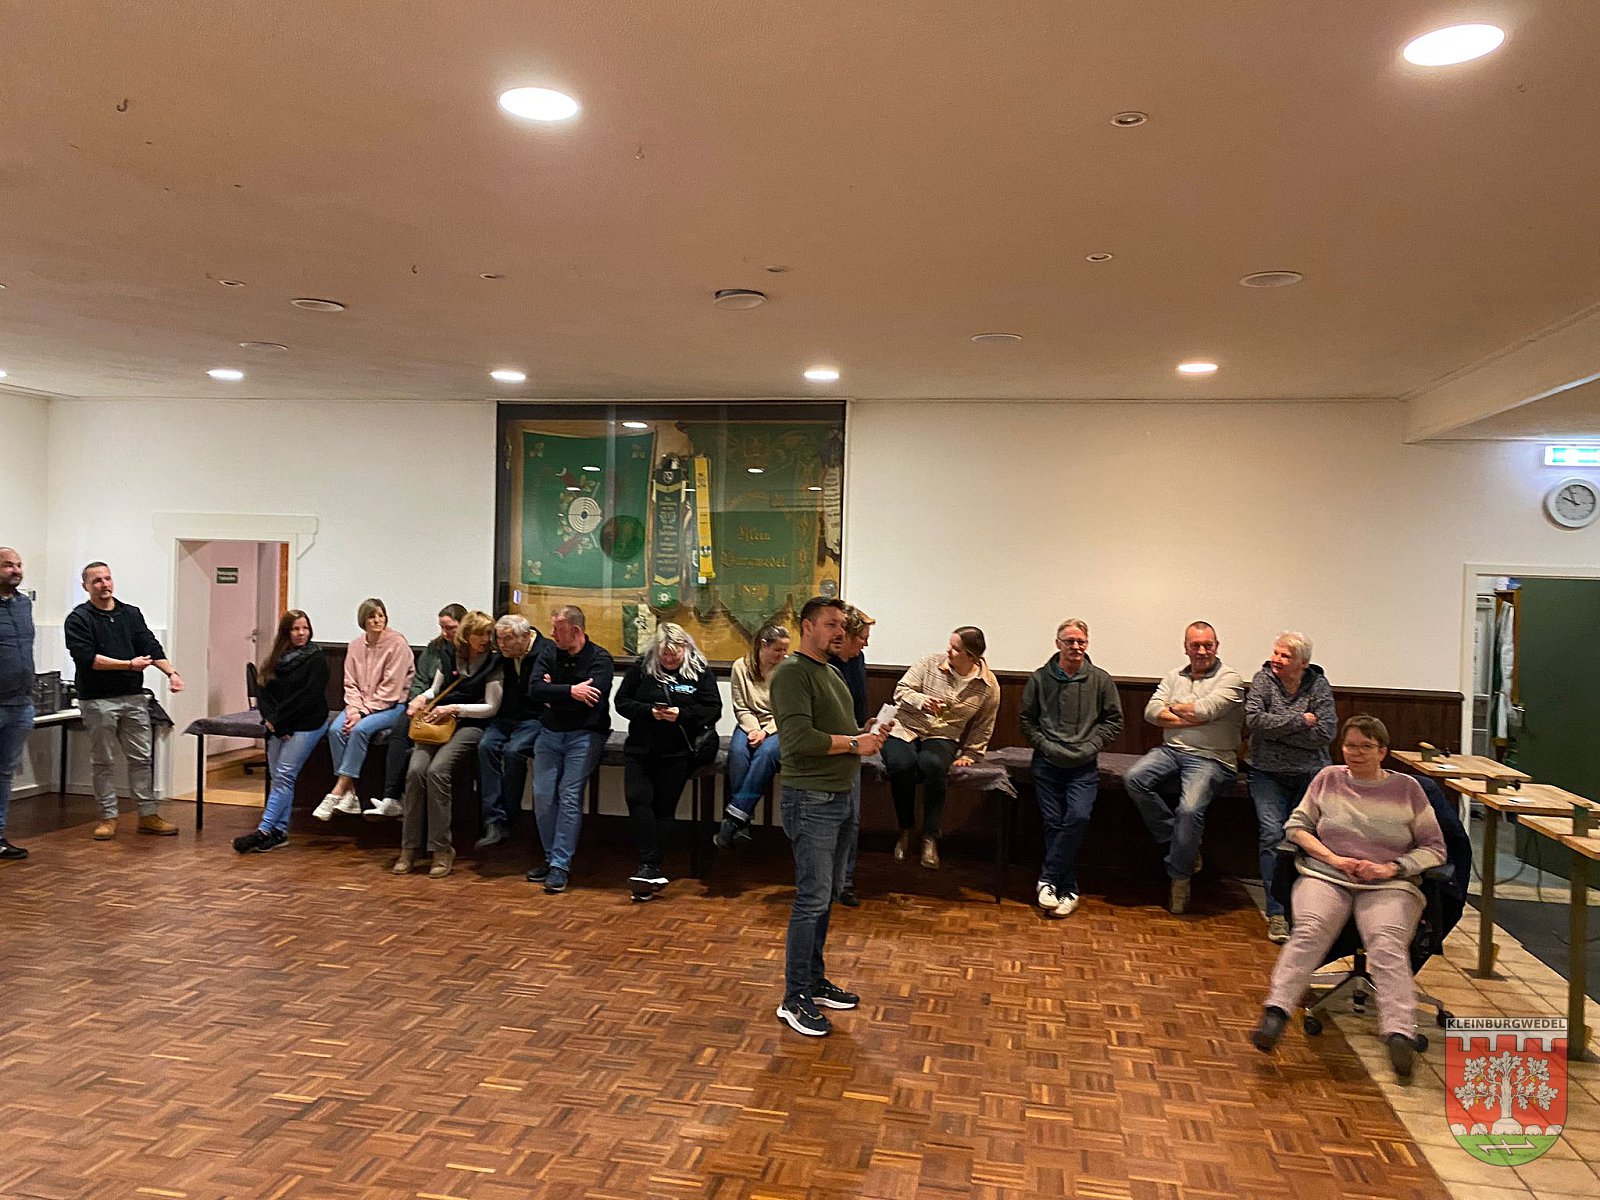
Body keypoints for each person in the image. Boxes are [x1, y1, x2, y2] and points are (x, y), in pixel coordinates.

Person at [1252, 715, 1446, 1080]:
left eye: (1365, 747)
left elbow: (1435, 848)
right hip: (1327, 874)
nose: (1356, 753)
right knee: (1310, 930)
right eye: (1350, 745)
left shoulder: (1408, 790)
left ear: (1382, 752)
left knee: (1386, 942)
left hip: (1388, 882)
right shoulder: (1327, 779)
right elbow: (1296, 827)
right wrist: (1333, 858)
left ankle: (1399, 1032)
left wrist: (1391, 868)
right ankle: (1276, 1011)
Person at [770, 596, 890, 1037]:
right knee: (811, 899)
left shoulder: (831, 672)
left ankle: (814, 980)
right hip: (811, 799)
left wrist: (866, 732)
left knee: (826, 897)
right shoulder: (791, 673)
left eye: (842, 625)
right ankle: (794, 997)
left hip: (838, 795)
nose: (840, 631)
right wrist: (856, 744)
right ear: (807, 627)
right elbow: (798, 739)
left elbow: (837, 733)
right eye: (831, 624)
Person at [1125, 621, 1246, 914]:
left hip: (1212, 758)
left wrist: (1175, 708)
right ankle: (1181, 844)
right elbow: (1151, 712)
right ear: (1186, 647)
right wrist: (1195, 717)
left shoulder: (1231, 679)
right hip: (1172, 751)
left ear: (1217, 646)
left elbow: (1207, 710)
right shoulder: (1173, 676)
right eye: (1195, 645)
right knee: (1133, 779)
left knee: (1189, 810)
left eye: (1208, 645)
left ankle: (1179, 878)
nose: (1202, 651)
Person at [64, 561, 186, 840]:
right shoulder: (79, 619)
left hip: (133, 697)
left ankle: (148, 815)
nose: (104, 584)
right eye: (97, 581)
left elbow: (150, 646)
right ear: (85, 586)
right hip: (98, 700)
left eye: (107, 578)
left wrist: (171, 673)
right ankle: (107, 818)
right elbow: (88, 659)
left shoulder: (131, 614)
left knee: (142, 758)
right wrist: (129, 664)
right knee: (103, 761)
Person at [1020, 619, 1124, 918]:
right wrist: (1046, 746)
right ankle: (1068, 890)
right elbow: (1027, 720)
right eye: (1070, 641)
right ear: (1058, 644)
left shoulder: (1100, 680)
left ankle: (1048, 879)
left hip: (1084, 766)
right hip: (1046, 764)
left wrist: (1091, 746)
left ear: (1087, 644)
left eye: (1081, 641)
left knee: (1078, 817)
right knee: (1053, 823)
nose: (1076, 647)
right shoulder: (1039, 679)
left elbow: (1113, 721)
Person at [615, 623, 722, 901]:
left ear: (685, 649)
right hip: (640, 748)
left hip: (678, 752)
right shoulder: (641, 668)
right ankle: (649, 866)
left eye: (675, 655)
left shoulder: (700, 671)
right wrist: (649, 712)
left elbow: (713, 709)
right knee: (637, 799)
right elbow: (622, 702)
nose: (669, 659)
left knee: (664, 808)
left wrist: (682, 715)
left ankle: (649, 867)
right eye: (664, 655)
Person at [1245, 631, 1338, 944]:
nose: (1277, 659)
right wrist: (1300, 721)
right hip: (1266, 773)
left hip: (1310, 774)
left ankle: (1308, 910)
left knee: (1306, 838)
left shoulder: (1319, 685)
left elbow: (1325, 733)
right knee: (1272, 835)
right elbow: (1255, 722)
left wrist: (1277, 731)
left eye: (1285, 656)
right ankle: (1278, 912)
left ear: (1303, 663)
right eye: (1276, 653)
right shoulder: (1263, 680)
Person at [396, 610, 502, 879]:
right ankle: (409, 847)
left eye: (489, 634)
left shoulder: (494, 661)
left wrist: (455, 708)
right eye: (480, 634)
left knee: (437, 771)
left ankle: (441, 849)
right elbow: (436, 688)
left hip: (471, 723)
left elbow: (491, 707)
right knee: (415, 771)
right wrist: (421, 699)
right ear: (467, 635)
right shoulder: (448, 653)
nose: (486, 639)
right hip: (438, 721)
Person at [883, 626, 1000, 869]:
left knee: (933, 765)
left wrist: (971, 753)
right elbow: (900, 691)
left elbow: (984, 724)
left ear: (971, 656)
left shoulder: (988, 686)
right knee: (900, 764)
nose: (948, 650)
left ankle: (930, 836)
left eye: (955, 648)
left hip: (942, 735)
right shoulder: (929, 664)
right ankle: (905, 829)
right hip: (905, 727)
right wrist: (921, 701)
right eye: (950, 644)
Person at [525, 605, 613, 894]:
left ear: (576, 630)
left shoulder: (600, 659)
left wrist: (554, 694)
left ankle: (560, 865)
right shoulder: (548, 653)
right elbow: (534, 690)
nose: (552, 634)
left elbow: (594, 702)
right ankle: (550, 858)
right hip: (550, 733)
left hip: (585, 735)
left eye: (558, 630)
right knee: (542, 795)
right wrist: (571, 691)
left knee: (569, 795)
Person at [233, 610, 329, 854]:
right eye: (296, 629)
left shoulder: (316, 657)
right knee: (278, 777)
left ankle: (264, 830)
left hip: (306, 722)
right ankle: (280, 831)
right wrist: (271, 721)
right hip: (278, 725)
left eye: (305, 628)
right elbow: (265, 691)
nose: (301, 633)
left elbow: (308, 697)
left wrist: (281, 722)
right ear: (287, 632)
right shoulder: (278, 658)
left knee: (285, 775)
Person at [315, 598, 413, 820]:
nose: (377, 620)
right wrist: (354, 710)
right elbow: (350, 683)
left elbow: (391, 688)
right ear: (363, 620)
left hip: (391, 705)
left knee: (360, 730)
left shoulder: (397, 643)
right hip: (360, 705)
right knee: (335, 730)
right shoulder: (355, 645)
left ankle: (338, 791)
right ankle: (350, 795)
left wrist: (362, 713)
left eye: (381, 615)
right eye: (372, 616)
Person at [375, 604, 465, 819]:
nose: (445, 633)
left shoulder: (467, 651)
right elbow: (420, 680)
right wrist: (418, 699)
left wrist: (430, 702)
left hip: (448, 709)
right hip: (423, 704)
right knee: (400, 730)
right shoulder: (434, 648)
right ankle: (390, 797)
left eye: (450, 628)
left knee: (422, 749)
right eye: (442, 627)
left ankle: (408, 800)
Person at [474, 613, 554, 849]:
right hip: (505, 717)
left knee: (513, 752)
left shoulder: (546, 651)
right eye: (499, 639)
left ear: (525, 636)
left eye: (507, 639)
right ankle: (493, 820)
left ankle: (508, 816)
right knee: (485, 747)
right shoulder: (502, 656)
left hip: (534, 718)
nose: (501, 645)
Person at [714, 623, 790, 849]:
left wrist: (766, 732)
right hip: (749, 722)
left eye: (785, 650)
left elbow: (787, 710)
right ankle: (743, 821)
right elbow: (741, 706)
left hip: (778, 725)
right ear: (763, 645)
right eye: (777, 650)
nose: (782, 655)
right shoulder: (741, 666)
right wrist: (755, 729)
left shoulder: (788, 669)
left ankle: (734, 817)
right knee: (738, 753)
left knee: (766, 754)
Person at [830, 604, 874, 906]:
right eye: (862, 638)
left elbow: (857, 705)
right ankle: (825, 882)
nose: (866, 644)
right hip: (827, 748)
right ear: (845, 636)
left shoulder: (857, 660)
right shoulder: (823, 666)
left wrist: (866, 726)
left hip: (853, 744)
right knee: (828, 820)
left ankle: (844, 882)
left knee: (851, 818)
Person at [0, 546, 36, 861]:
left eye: (19, 565)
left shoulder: (24, 604)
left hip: (20, 703)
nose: (16, 570)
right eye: (8, 565)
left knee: (4, 772)